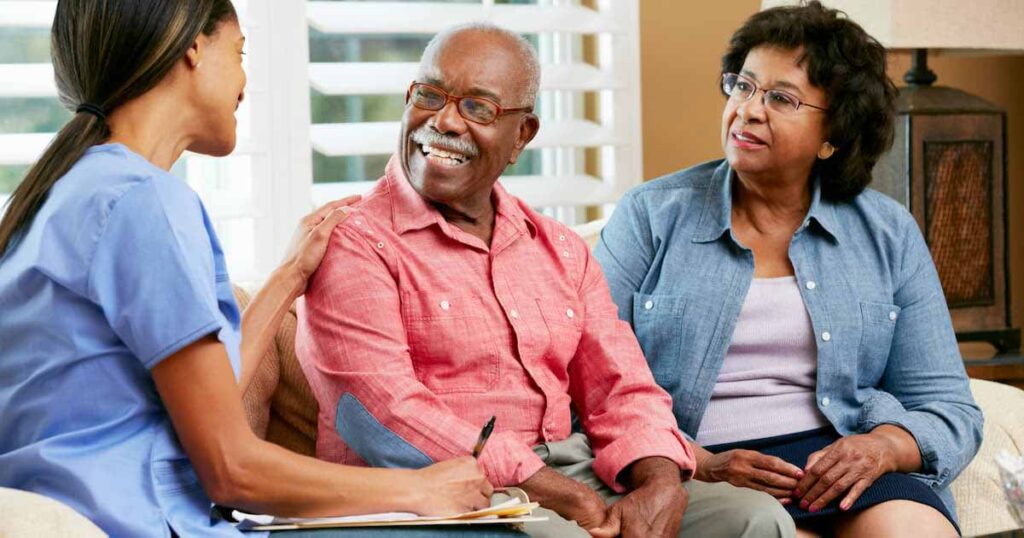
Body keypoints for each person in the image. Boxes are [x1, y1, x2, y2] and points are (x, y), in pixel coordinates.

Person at [0, 2, 507, 537]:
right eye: (240, 53)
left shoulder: (64, 194)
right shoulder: (143, 202)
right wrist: (420, 489)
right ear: (193, 46)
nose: (244, 83)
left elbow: (204, 403)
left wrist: (289, 275)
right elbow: (230, 468)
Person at [295, 22, 794, 538]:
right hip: (442, 490)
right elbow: (382, 414)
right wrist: (558, 492)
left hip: (571, 472)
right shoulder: (354, 241)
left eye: (478, 107)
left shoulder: (557, 247)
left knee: (754, 520)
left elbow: (622, 386)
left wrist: (659, 481)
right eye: (430, 95)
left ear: (522, 136)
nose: (444, 120)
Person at [594, 2, 983, 537]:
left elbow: (948, 407)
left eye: (781, 98)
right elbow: (588, 384)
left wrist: (883, 447)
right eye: (743, 86)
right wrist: (698, 460)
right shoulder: (651, 215)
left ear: (833, 138)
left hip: (840, 464)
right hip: (696, 465)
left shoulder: (888, 233)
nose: (748, 110)